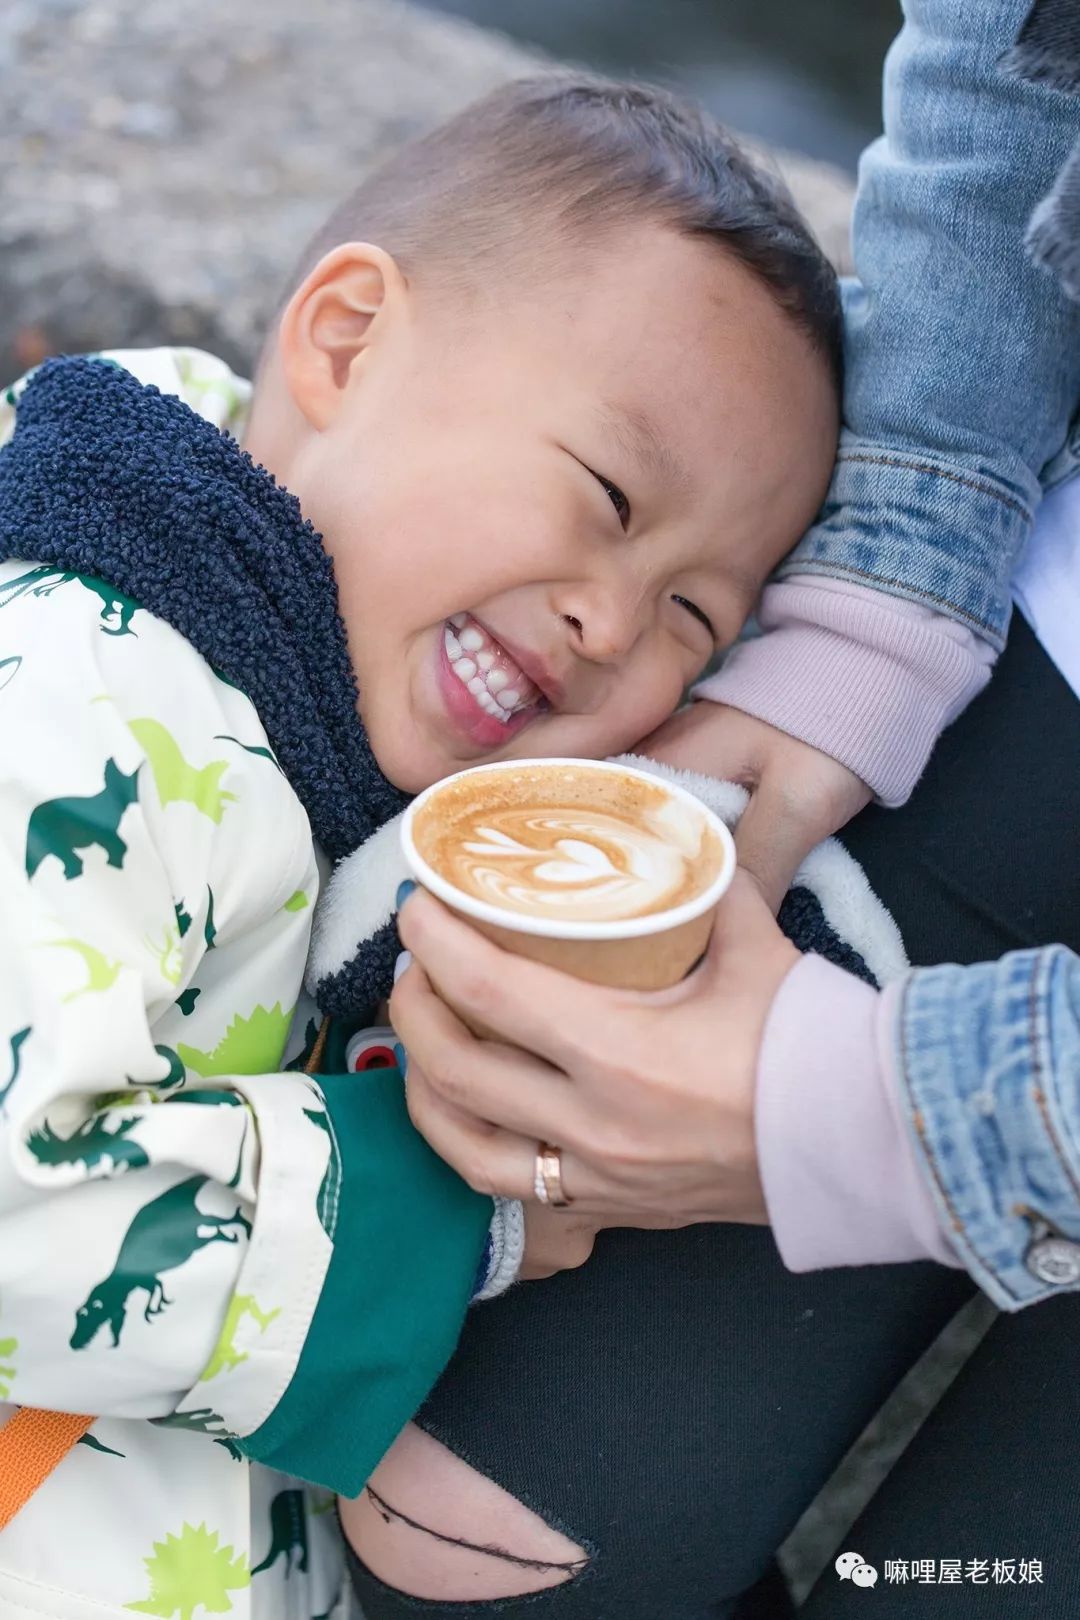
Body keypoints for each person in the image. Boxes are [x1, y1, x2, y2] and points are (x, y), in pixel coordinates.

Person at [0, 76, 842, 1618]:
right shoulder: (70, 692)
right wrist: (458, 1206)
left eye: (695, 616)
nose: (613, 623)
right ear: (344, 344)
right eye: (608, 495)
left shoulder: (315, 746)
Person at [347, 2, 1080, 1615]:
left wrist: (884, 1114)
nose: (612, 627)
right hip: (1026, 662)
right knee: (464, 1539)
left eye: (691, 606)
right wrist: (879, 596)